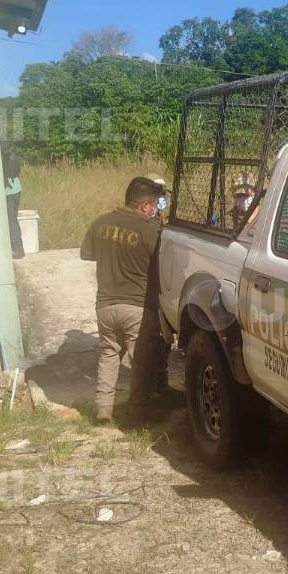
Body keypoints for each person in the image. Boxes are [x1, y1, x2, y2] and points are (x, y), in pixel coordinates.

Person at [81, 176, 166, 425]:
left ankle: (103, 408)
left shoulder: (101, 223)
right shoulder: (150, 230)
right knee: (141, 361)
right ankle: (138, 410)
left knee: (109, 354)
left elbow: (87, 254)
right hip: (136, 308)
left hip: (105, 306)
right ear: (144, 205)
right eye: (154, 206)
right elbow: (162, 266)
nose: (154, 211)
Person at [2, 148, 25, 259]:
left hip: (9, 193)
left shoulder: (2, 157)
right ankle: (16, 248)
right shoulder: (13, 154)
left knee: (11, 222)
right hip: (17, 189)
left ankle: (18, 249)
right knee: (13, 220)